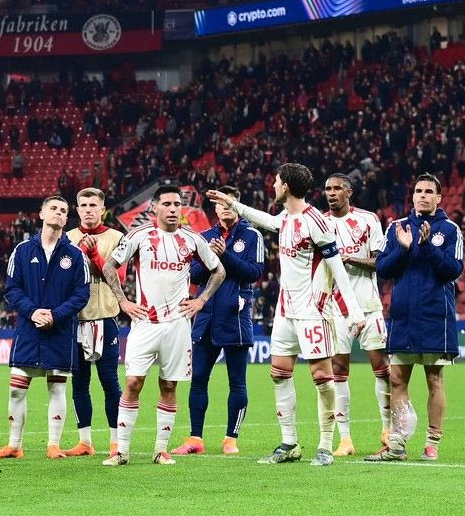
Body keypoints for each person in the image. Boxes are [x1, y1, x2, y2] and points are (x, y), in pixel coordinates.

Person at [207, 162, 364, 467]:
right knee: (279, 374)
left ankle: (325, 446)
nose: (274, 186)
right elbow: (266, 220)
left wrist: (354, 312)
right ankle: (289, 443)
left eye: (277, 182)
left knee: (321, 377)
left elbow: (337, 268)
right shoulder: (286, 218)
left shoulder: (316, 222)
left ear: (287, 187)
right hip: (285, 310)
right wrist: (233, 204)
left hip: (313, 311)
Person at [102, 185, 226, 466]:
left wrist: (202, 300)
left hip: (177, 325)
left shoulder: (192, 239)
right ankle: (121, 451)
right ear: (155, 207)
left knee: (169, 385)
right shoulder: (138, 235)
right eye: (167, 204)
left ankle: (161, 450)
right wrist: (123, 302)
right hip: (145, 322)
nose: (172, 209)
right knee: (133, 382)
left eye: (177, 204)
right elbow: (109, 266)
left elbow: (218, 270)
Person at [367, 173, 464, 462]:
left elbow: (453, 270)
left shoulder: (450, 230)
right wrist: (404, 248)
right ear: (412, 196)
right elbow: (383, 268)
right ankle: (397, 444)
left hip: (435, 315)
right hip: (403, 315)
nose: (422, 195)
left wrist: (427, 246)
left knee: (435, 380)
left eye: (428, 191)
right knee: (397, 379)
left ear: (438, 198)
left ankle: (432, 443)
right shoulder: (396, 228)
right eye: (418, 190)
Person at [0, 195, 89, 460]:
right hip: (29, 330)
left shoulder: (76, 255)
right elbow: (11, 289)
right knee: (16, 388)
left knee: (57, 388)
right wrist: (33, 312)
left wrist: (55, 315)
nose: (59, 213)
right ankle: (14, 445)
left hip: (60, 330)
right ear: (41, 214)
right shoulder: (22, 250)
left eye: (63, 210)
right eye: (53, 208)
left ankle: (53, 445)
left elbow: (82, 294)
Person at [172, 185, 264, 457]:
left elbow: (254, 273)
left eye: (230, 203)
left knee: (237, 382)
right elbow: (193, 275)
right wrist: (210, 258)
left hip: (235, 317)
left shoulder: (252, 235)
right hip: (205, 317)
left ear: (237, 206)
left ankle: (230, 439)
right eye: (221, 204)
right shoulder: (204, 237)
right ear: (215, 208)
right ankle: (195, 438)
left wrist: (225, 255)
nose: (225, 207)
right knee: (198, 378)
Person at [321, 173, 390, 456]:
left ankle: (388, 430)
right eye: (328, 189)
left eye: (337, 188)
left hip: (368, 305)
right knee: (338, 371)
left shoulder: (368, 220)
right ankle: (345, 439)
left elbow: (381, 262)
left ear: (349, 192)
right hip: (336, 308)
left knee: (381, 367)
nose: (331, 193)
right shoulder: (320, 223)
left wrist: (349, 259)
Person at [62, 187, 125, 459]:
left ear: (103, 209)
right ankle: (85, 441)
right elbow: (62, 279)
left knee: (110, 382)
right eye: (84, 205)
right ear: (77, 210)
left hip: (105, 317)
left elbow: (118, 277)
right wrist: (79, 255)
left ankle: (116, 441)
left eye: (93, 205)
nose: (88, 210)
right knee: (79, 383)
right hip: (75, 320)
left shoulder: (117, 238)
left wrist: (93, 255)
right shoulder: (67, 238)